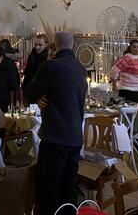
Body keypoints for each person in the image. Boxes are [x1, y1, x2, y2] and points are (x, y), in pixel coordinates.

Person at [24, 31, 87, 215]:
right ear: (72, 44)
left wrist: (38, 97)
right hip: (75, 137)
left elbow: (29, 93)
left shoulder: (50, 66)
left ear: (54, 45)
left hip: (55, 137)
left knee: (48, 189)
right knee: (69, 187)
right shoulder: (81, 69)